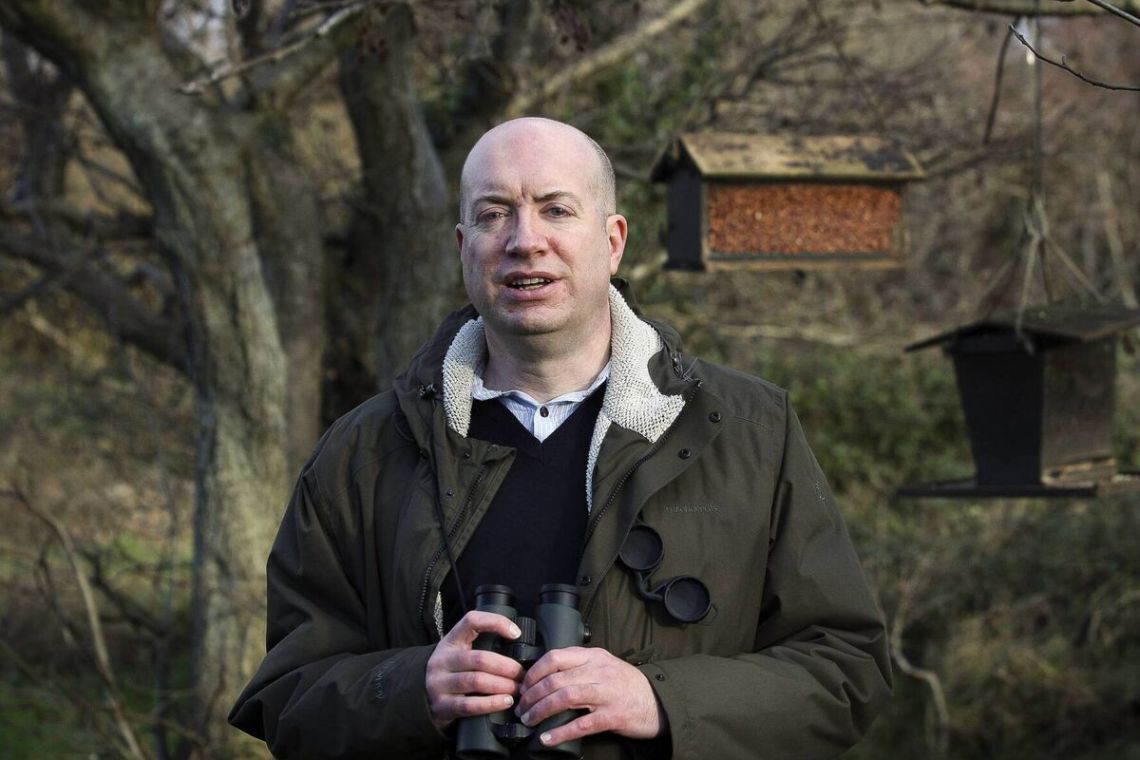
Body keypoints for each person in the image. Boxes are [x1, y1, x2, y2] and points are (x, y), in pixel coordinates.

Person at [229, 117, 892, 759]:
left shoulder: (748, 431)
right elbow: (287, 698)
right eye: (494, 214)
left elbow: (845, 671)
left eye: (556, 210)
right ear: (462, 247)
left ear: (613, 240)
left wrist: (662, 700)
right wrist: (413, 689)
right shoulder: (364, 452)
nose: (525, 240)